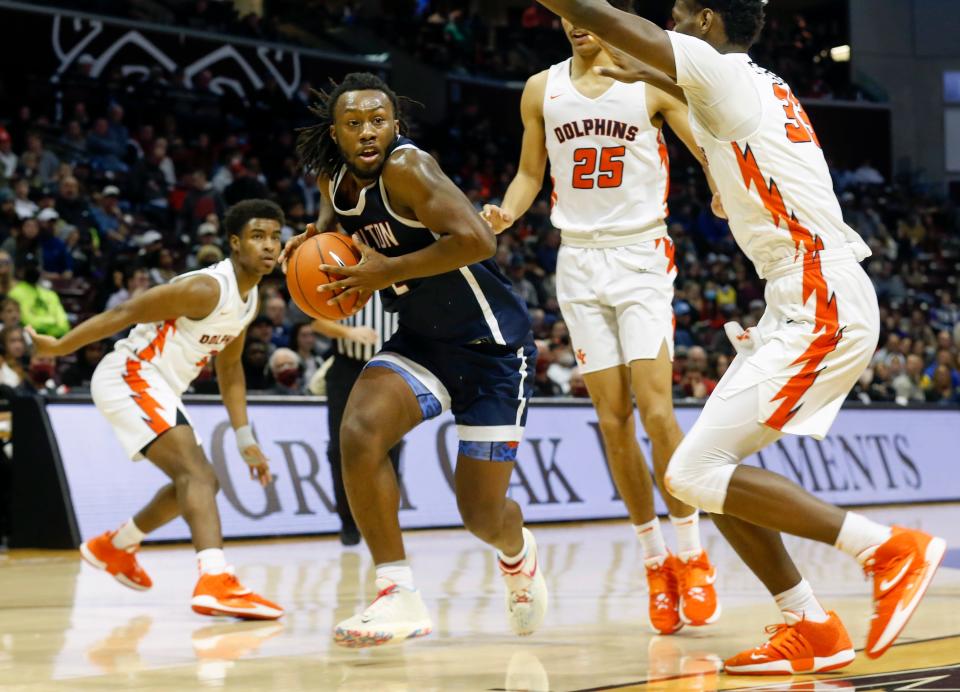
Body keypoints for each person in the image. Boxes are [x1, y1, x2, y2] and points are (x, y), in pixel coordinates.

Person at [534, 0, 945, 674]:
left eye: (673, 14)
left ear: (702, 20)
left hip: (820, 296)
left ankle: (885, 548)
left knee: (693, 471)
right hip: (798, 296)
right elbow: (638, 63)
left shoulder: (715, 68)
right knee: (699, 474)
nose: (664, 25)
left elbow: (613, 29)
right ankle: (810, 624)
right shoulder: (752, 80)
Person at [482, 0, 720, 635]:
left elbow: (706, 146)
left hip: (641, 255)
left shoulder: (649, 79)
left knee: (656, 411)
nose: (577, 19)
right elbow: (531, 173)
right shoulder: (542, 89)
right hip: (579, 263)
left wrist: (724, 187)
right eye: (568, 9)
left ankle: (693, 553)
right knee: (612, 422)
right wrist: (505, 212)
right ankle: (654, 561)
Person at [283, 72, 544, 647]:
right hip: (424, 340)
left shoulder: (409, 168)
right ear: (337, 133)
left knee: (480, 515)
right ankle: (397, 592)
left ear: (395, 125)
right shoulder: (334, 182)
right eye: (355, 124)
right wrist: (308, 249)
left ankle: (518, 556)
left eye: (379, 121)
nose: (368, 132)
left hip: (492, 349)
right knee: (359, 431)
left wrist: (388, 271)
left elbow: (479, 240)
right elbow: (339, 239)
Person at [29, 199, 286, 620]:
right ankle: (215, 579)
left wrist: (245, 438)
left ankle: (114, 546)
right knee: (197, 476)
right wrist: (60, 348)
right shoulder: (206, 288)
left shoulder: (249, 298)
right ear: (235, 243)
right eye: (258, 237)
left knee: (201, 484)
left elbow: (231, 367)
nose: (269, 246)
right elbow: (126, 311)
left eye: (276, 237)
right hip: (130, 374)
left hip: (160, 386)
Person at [311, 292, 402, 547]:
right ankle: (348, 522)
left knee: (391, 447)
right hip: (346, 368)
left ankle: (387, 520)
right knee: (340, 449)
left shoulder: (401, 274)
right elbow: (315, 321)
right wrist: (348, 333)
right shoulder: (343, 276)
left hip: (390, 368)